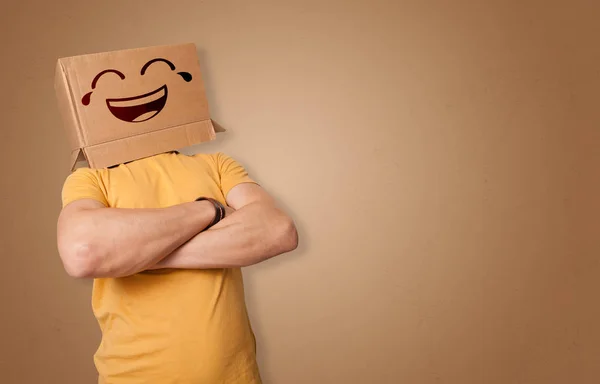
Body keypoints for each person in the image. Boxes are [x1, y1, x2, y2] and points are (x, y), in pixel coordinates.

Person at [56, 150, 298, 383]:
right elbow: (82, 253)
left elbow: (279, 231)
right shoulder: (90, 178)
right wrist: (209, 209)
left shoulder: (217, 165)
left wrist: (140, 255)